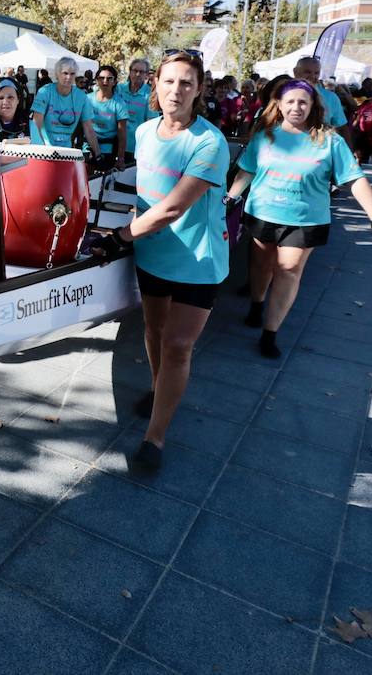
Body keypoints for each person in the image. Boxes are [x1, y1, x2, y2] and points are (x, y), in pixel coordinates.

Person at [92, 49, 229, 472]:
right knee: (152, 332)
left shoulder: (209, 141)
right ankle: (159, 387)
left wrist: (121, 235)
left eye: (187, 82)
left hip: (197, 262)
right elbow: (145, 197)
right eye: (169, 81)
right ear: (155, 84)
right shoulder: (146, 131)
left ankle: (155, 436)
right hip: (153, 253)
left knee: (177, 345)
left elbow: (172, 208)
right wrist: (124, 228)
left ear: (200, 89)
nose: (177, 90)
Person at [226, 79, 372, 358]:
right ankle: (257, 303)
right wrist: (230, 198)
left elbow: (354, 180)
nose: (296, 107)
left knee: (289, 269)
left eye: (303, 101)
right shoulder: (264, 136)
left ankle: (270, 332)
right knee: (261, 263)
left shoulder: (330, 141)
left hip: (305, 219)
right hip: (262, 213)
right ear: (278, 105)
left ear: (313, 105)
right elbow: (247, 171)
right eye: (290, 101)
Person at [30, 56, 100, 154]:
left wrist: (98, 154)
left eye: (72, 74)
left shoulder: (81, 96)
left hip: (67, 151)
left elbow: (88, 128)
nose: (68, 77)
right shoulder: (45, 92)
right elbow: (36, 124)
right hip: (45, 149)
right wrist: (40, 152)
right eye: (65, 73)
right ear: (57, 74)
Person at [292, 57, 347, 134]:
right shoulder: (283, 95)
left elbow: (342, 128)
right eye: (307, 72)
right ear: (295, 72)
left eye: (316, 73)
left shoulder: (331, 97)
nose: (312, 76)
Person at [116, 57, 152, 165]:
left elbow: (150, 123)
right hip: (116, 144)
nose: (137, 74)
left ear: (146, 75)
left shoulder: (150, 94)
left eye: (141, 72)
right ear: (130, 71)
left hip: (136, 147)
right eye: (135, 70)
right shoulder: (119, 89)